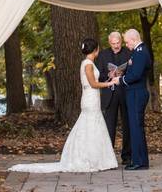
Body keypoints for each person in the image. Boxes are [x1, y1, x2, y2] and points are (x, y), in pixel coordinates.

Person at [9, 38, 119, 173]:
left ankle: (93, 157)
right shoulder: (88, 64)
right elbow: (93, 84)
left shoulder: (88, 63)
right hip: (90, 98)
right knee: (91, 125)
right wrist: (110, 83)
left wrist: (109, 76)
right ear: (95, 50)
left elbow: (94, 81)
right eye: (98, 48)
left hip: (91, 97)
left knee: (91, 125)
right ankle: (91, 158)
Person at [96, 30, 132, 165]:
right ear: (109, 43)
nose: (116, 46)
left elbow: (133, 72)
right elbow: (99, 75)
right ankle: (108, 156)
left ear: (121, 42)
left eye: (118, 43)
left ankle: (127, 156)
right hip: (109, 94)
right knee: (109, 126)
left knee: (127, 125)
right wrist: (108, 75)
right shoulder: (103, 55)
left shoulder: (128, 53)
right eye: (113, 44)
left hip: (125, 93)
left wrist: (122, 73)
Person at [120, 29, 152, 170]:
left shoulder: (140, 52)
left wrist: (120, 80)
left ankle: (139, 161)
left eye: (127, 42)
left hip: (136, 93)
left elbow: (136, 75)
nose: (126, 45)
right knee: (135, 127)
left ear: (133, 39)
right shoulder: (138, 51)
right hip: (135, 93)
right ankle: (139, 159)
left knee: (136, 127)